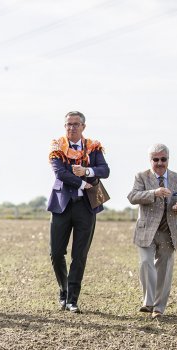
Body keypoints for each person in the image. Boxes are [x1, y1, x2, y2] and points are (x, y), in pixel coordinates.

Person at [47, 111, 110, 313]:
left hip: (86, 207)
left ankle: (73, 299)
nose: (71, 128)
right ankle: (63, 289)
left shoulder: (93, 147)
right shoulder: (57, 146)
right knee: (56, 252)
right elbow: (60, 172)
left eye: (75, 124)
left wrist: (88, 171)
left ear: (83, 126)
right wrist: (82, 183)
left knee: (79, 254)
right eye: (68, 124)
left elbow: (105, 170)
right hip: (62, 204)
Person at [127, 143, 177, 318]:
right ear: (150, 160)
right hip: (146, 230)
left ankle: (158, 308)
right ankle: (148, 302)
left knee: (164, 269)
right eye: (156, 159)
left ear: (168, 159)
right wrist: (154, 192)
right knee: (146, 263)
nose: (160, 163)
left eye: (163, 159)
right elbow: (132, 197)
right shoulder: (141, 177)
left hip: (168, 231)